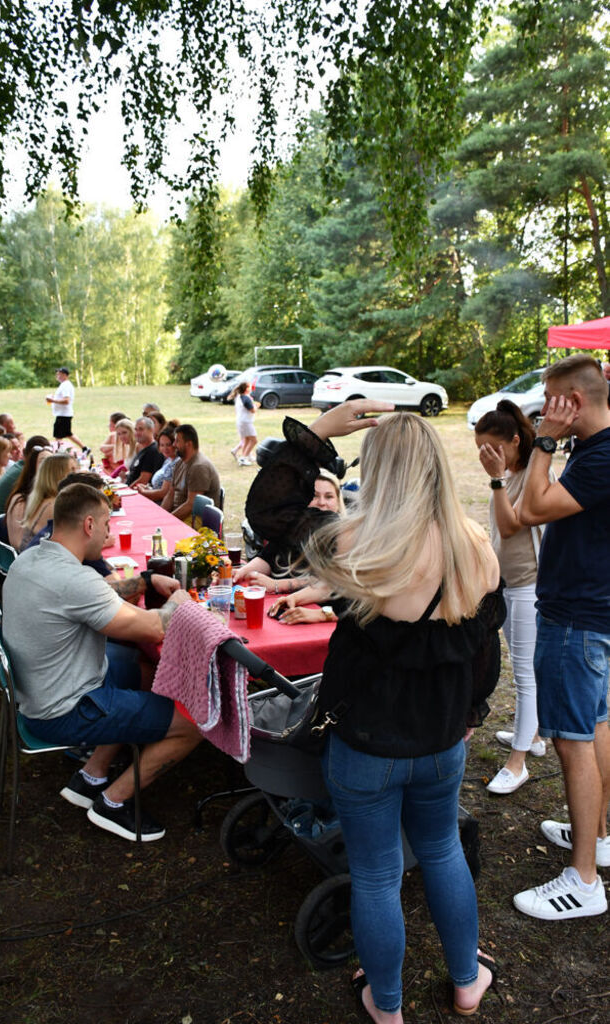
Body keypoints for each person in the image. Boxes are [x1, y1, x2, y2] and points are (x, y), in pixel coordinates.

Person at [247, 401, 504, 1022]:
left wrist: (322, 432)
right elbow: (482, 652)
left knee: (376, 874)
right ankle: (466, 981)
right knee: (440, 851)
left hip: (365, 745)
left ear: (381, 472)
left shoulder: (356, 542)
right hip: (442, 739)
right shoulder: (475, 547)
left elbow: (267, 513)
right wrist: (471, 710)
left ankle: (386, 1005)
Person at [2, 482, 201, 841]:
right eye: (108, 523)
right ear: (89, 525)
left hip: (41, 693)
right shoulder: (73, 579)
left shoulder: (34, 556)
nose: (110, 532)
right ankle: (113, 803)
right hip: (65, 711)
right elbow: (155, 629)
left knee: (143, 671)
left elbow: (102, 595)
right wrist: (181, 603)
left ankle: (91, 775)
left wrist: (145, 579)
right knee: (196, 720)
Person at [513, 354, 610, 920]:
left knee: (574, 740)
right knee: (595, 725)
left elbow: (531, 509)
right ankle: (594, 837)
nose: (543, 411)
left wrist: (544, 444)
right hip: (591, 613)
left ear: (571, 402)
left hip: (577, 618)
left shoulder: (601, 455)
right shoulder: (596, 451)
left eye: (551, 400)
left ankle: (584, 881)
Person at [474, 399, 548, 794]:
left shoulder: (531, 474)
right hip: (508, 585)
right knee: (524, 670)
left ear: (515, 441)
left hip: (529, 586)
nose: (487, 457)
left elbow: (511, 524)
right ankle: (533, 737)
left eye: (492, 449)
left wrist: (497, 478)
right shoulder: (511, 473)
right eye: (481, 451)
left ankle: (518, 762)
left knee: (525, 676)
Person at [234, 470, 345, 594]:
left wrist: (277, 585)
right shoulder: (292, 524)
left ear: (338, 502)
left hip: (314, 606)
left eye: (329, 497)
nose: (322, 502)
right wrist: (241, 573)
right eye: (314, 496)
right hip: (279, 598)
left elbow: (328, 581)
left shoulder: (342, 535)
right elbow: (267, 558)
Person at [162, 424, 221, 522]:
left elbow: (191, 505)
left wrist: (168, 521)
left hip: (194, 522)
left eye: (177, 441)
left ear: (188, 444)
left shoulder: (198, 467)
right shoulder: (179, 463)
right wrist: (160, 515)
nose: (174, 445)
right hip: (179, 518)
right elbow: (170, 494)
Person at [18, 451, 75, 551]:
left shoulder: (42, 499)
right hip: (38, 563)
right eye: (72, 471)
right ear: (58, 476)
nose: (77, 474)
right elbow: (72, 548)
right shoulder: (54, 506)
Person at [4, 442, 53, 550]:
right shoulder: (21, 500)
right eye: (44, 462)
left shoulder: (47, 500)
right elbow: (19, 544)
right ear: (32, 468)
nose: (50, 467)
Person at [45, 367, 88, 453]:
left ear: (65, 375)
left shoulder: (66, 385)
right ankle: (84, 448)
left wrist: (52, 400)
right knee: (68, 433)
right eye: (57, 374)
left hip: (63, 414)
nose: (57, 376)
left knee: (58, 435)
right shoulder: (64, 385)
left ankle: (58, 452)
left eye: (59, 374)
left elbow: (66, 400)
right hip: (64, 414)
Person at [135, 425, 180, 504]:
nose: (165, 448)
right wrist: (147, 488)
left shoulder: (176, 464)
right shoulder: (168, 460)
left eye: (168, 444)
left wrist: (143, 492)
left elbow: (163, 493)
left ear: (175, 444)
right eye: (162, 445)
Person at [123, 417, 163, 488]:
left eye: (141, 429)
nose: (137, 433)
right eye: (136, 429)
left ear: (151, 430)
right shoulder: (143, 449)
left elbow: (144, 480)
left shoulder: (153, 450)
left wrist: (127, 489)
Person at [230, 381, 258, 466]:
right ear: (246, 389)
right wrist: (256, 406)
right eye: (249, 387)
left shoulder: (239, 397)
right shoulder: (246, 398)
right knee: (254, 440)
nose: (251, 388)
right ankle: (243, 458)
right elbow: (252, 410)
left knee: (246, 440)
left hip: (241, 421)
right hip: (246, 422)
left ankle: (245, 456)